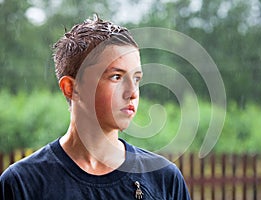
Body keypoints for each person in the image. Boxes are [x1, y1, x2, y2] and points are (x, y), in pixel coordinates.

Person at [0, 14, 191, 199]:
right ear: (71, 88)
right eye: (116, 77)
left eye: (137, 78)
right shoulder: (22, 184)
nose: (132, 92)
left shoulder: (164, 179)